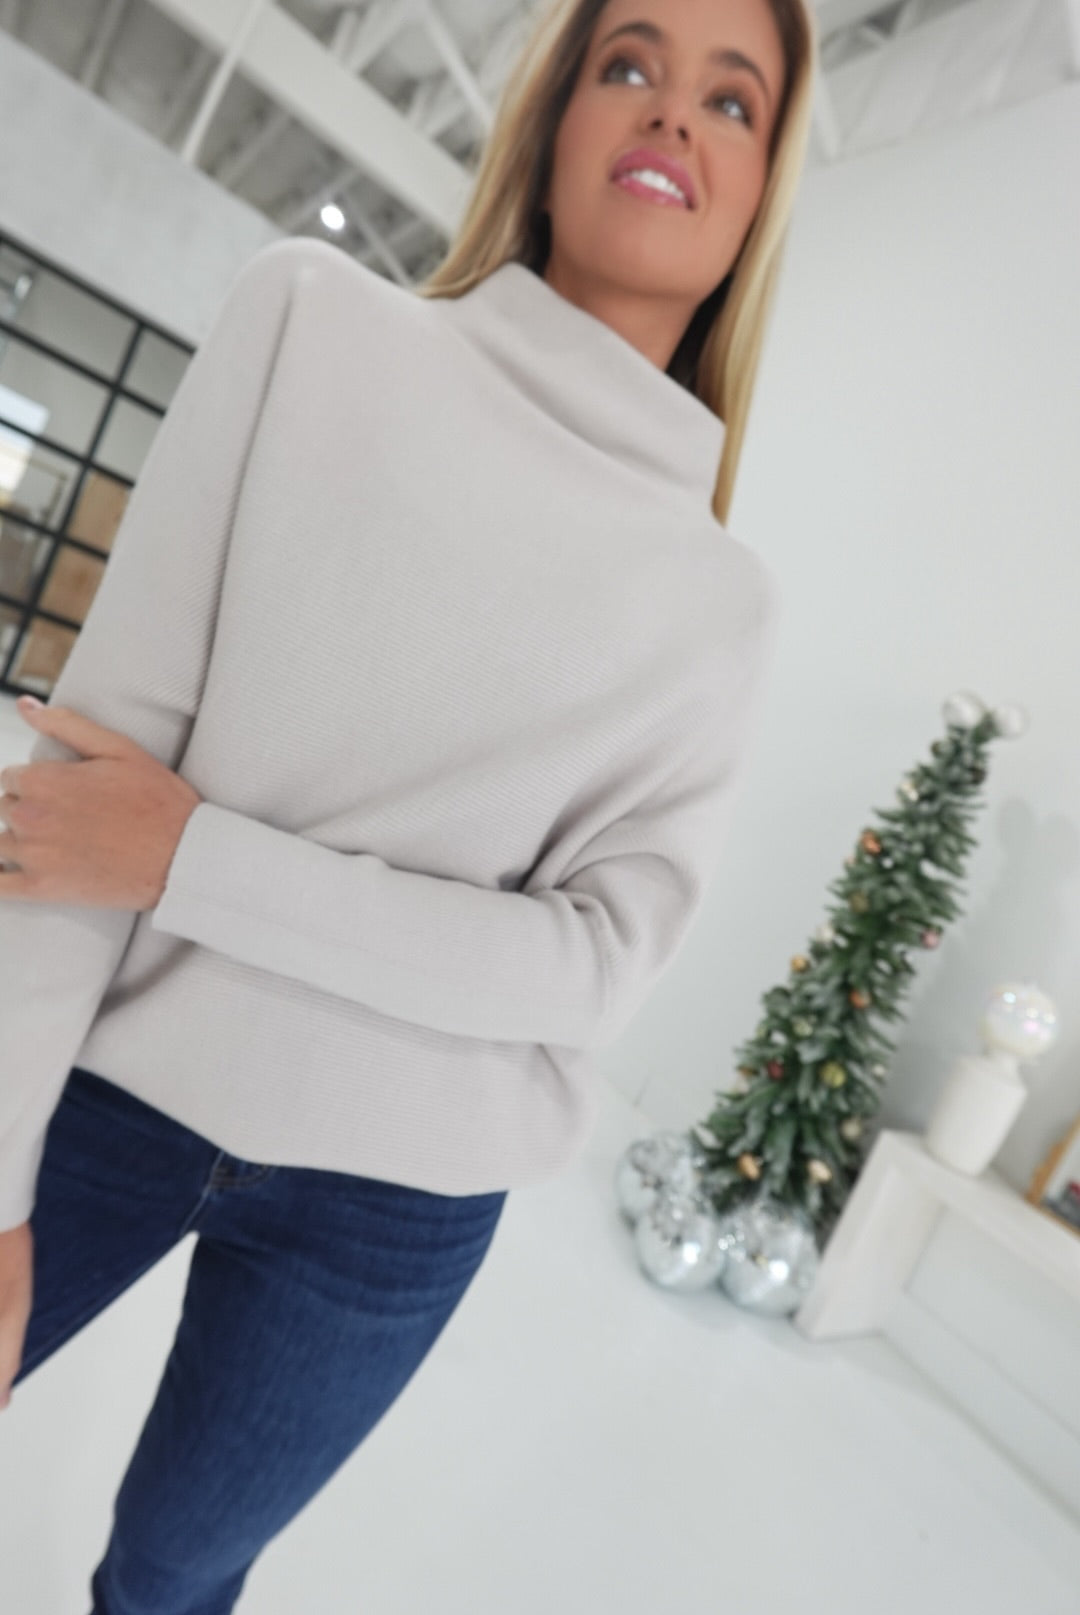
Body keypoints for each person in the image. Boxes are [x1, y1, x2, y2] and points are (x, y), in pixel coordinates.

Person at [0, 0, 815, 1607]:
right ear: (555, 117)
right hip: (109, 1089)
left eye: (732, 100)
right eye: (630, 64)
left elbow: (587, 969)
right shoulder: (310, 324)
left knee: (169, 1583)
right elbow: (87, 806)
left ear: (761, 193)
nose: (671, 114)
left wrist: (197, 862)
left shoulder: (720, 602)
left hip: (396, 1205)